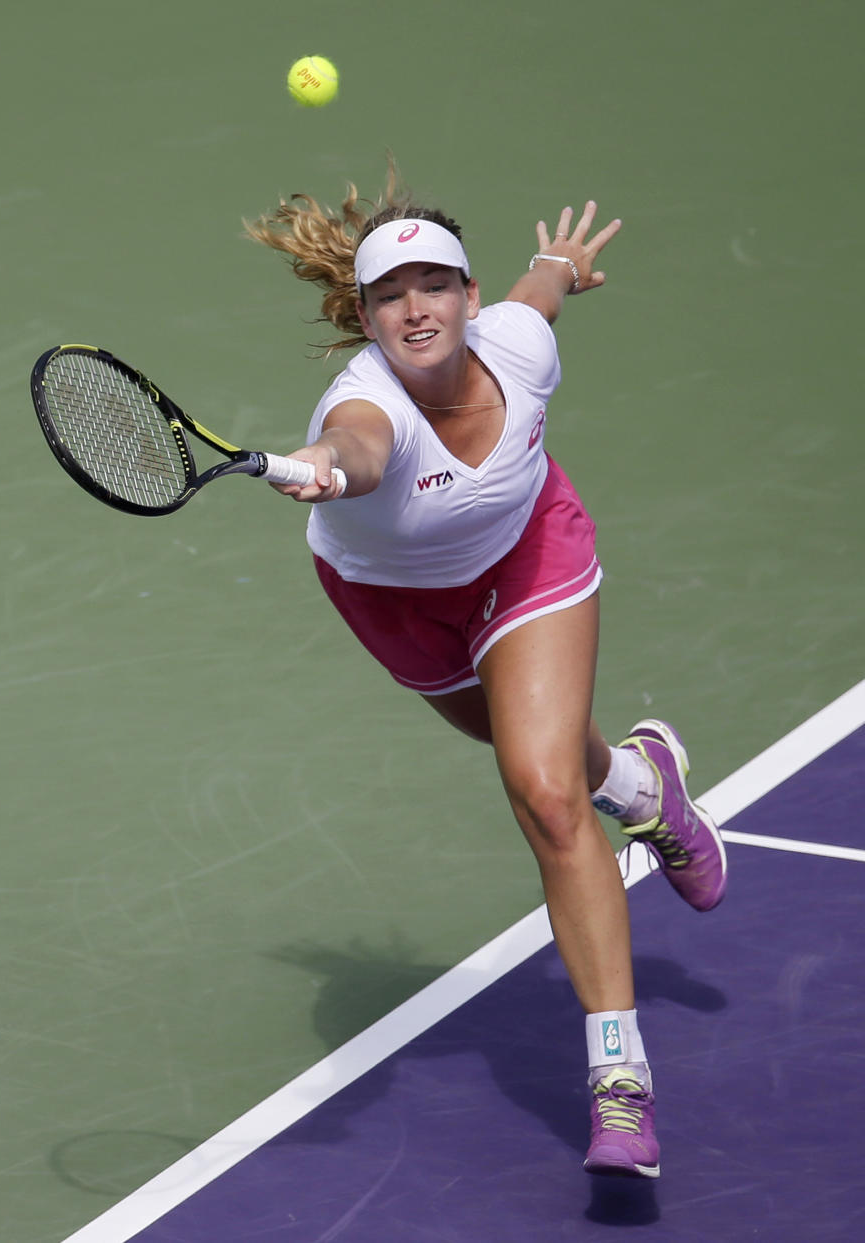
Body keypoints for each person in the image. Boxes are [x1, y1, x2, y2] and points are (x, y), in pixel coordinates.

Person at [244, 171, 728, 1179]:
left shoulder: (521, 341)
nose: (416, 309)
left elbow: (540, 295)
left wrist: (556, 265)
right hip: (397, 601)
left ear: (470, 298)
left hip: (530, 560)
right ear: (368, 317)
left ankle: (617, 1076)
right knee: (520, 746)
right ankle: (642, 783)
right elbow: (359, 448)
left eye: (436, 286)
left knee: (545, 794)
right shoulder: (362, 404)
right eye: (392, 295)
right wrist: (329, 466)